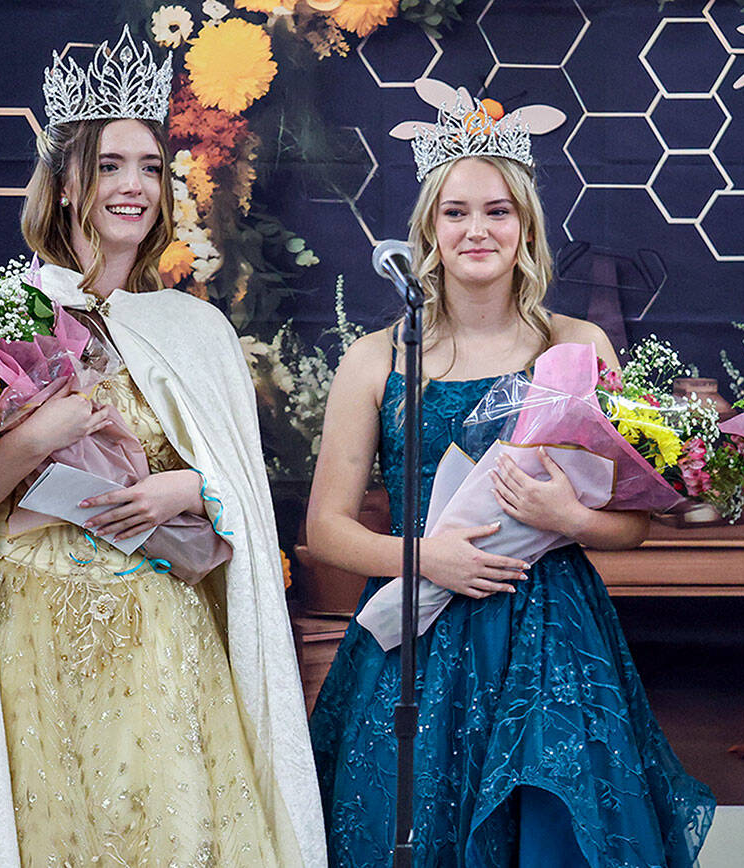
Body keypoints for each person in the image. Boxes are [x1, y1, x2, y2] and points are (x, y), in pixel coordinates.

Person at [0, 28, 324, 867]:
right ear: (66, 184)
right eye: (109, 165)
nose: (133, 186)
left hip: (159, 637)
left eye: (149, 167)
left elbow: (236, 497)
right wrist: (41, 431)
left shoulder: (193, 330)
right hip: (28, 635)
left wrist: (191, 491)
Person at [305, 95, 714, 866]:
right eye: (455, 212)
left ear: (524, 226)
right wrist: (428, 557)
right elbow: (325, 528)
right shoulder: (378, 359)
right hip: (415, 632)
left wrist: (570, 514)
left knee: (549, 829)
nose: (477, 230)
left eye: (497, 211)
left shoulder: (577, 344)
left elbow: (632, 525)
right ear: (429, 230)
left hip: (549, 630)